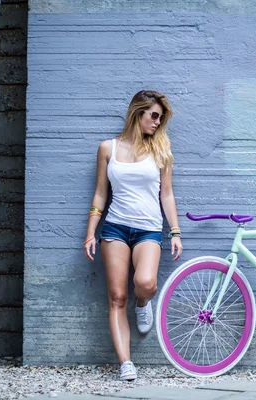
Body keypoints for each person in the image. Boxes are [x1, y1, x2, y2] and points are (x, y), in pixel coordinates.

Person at [83, 90, 183, 381]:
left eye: (160, 118)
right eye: (153, 115)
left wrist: (175, 231)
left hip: (149, 229)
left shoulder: (161, 149)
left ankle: (142, 303)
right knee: (116, 296)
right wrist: (91, 232)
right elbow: (101, 193)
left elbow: (167, 194)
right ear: (136, 113)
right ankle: (125, 362)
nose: (156, 122)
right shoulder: (107, 148)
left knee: (146, 283)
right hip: (114, 228)